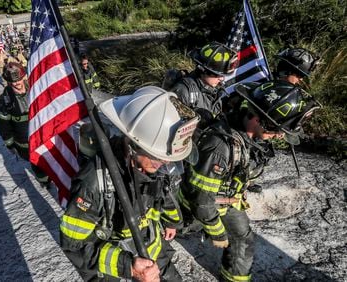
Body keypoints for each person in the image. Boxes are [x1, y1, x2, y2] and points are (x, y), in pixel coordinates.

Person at [178, 80, 320, 282]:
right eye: (278, 130)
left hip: (227, 200)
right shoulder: (220, 147)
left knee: (244, 239)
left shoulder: (250, 139)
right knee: (171, 233)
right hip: (196, 208)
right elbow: (201, 200)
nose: (279, 136)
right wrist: (217, 232)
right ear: (259, 120)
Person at [61, 86, 201, 281]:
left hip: (151, 249)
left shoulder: (155, 165)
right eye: (158, 157)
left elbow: (163, 194)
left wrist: (172, 221)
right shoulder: (94, 181)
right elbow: (73, 245)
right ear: (134, 146)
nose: (166, 163)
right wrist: (128, 267)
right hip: (115, 266)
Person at [0, 63, 49, 185]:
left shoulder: (35, 88)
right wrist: (10, 144)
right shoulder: (6, 99)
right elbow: (4, 124)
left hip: (43, 135)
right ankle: (45, 181)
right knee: (37, 163)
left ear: (23, 77)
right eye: (12, 81)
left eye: (19, 79)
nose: (16, 83)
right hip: (25, 142)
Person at [165, 42, 238, 128]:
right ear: (203, 70)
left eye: (223, 75)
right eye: (218, 75)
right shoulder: (184, 91)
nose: (222, 79)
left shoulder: (216, 91)